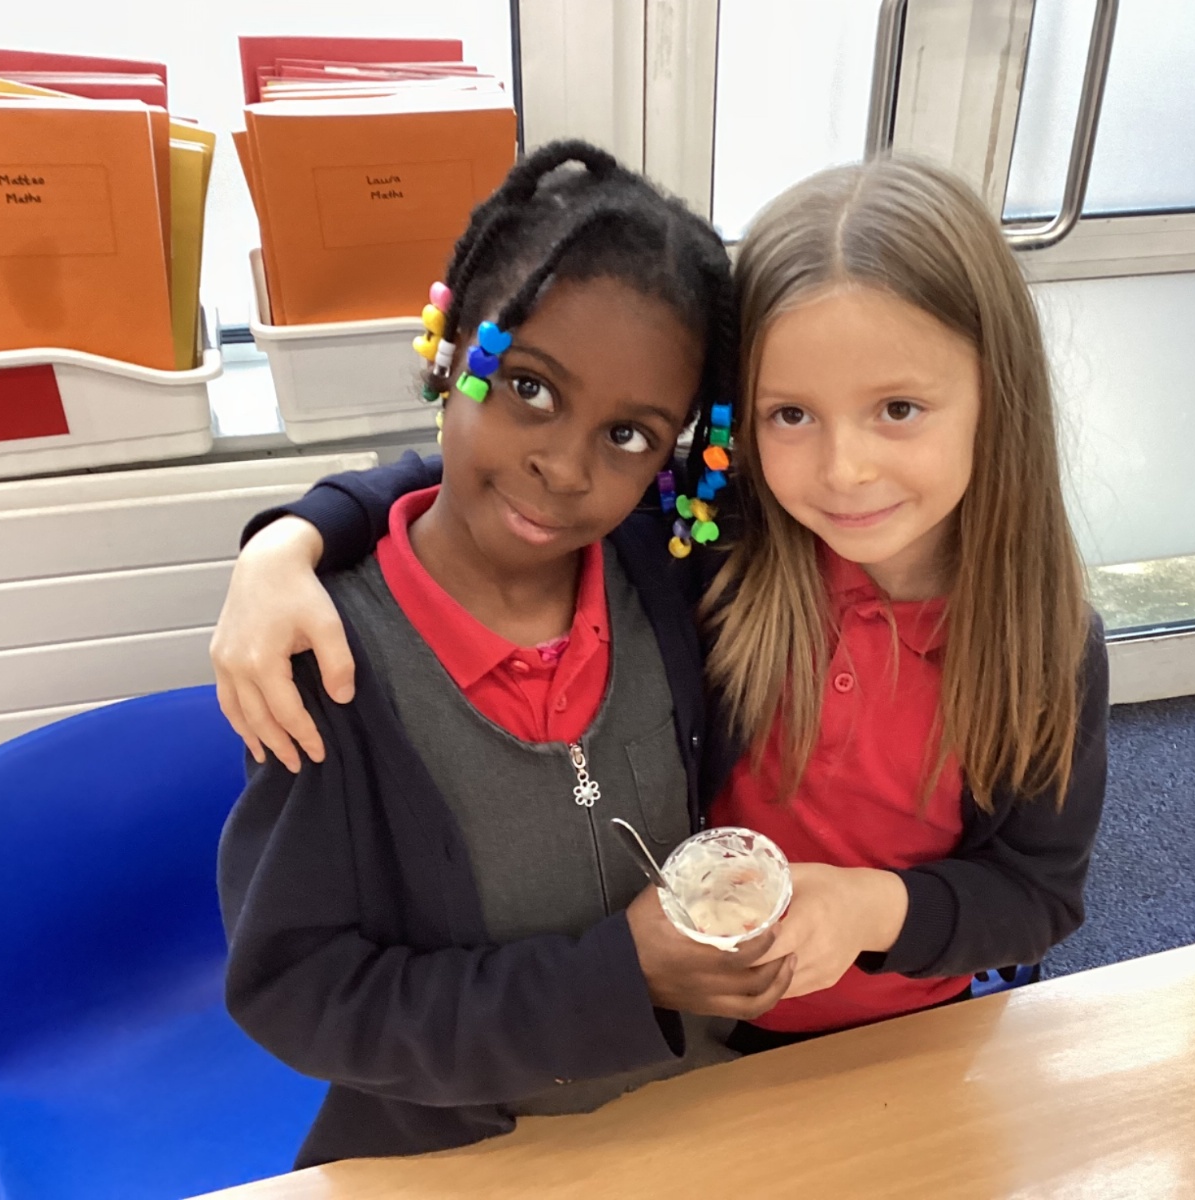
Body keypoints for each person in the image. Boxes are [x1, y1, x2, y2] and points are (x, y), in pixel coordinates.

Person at [213, 156, 1109, 1062]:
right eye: (790, 415)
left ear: (1000, 394)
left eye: (900, 409)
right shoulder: (719, 543)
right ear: (735, 423)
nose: (846, 471)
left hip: (909, 1041)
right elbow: (499, 480)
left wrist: (875, 909)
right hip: (702, 1049)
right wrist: (291, 539)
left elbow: (1038, 896)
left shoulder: (1044, 645)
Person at [216, 140, 793, 1170]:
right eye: (528, 386)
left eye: (629, 436)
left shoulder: (669, 571)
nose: (564, 468)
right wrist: (618, 979)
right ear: (448, 355)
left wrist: (299, 526)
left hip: (701, 1114)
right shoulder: (330, 664)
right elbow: (299, 993)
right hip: (453, 1151)